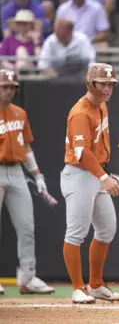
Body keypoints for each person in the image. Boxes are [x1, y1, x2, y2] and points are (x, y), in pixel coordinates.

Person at [61, 63, 119, 304]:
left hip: (95, 173)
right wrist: (103, 177)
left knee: (107, 228)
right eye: (103, 83)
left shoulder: (102, 106)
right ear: (91, 83)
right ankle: (78, 288)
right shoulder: (80, 111)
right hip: (79, 173)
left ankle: (96, 284)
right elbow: (81, 152)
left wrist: (102, 175)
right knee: (76, 232)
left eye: (111, 84)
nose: (108, 88)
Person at [0, 69, 54, 296]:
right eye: (5, 86)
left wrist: (38, 175)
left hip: (17, 171)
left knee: (26, 226)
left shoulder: (19, 113)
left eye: (12, 87)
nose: (9, 90)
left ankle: (27, 277)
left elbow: (27, 147)